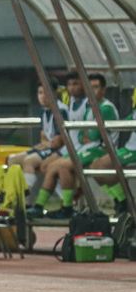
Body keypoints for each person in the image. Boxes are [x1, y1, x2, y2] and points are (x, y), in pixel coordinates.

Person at [28, 73, 120, 219]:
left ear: (104, 89)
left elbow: (93, 135)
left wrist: (86, 135)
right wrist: (85, 135)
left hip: (98, 149)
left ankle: (62, 205)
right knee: (55, 167)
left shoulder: (102, 107)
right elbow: (83, 133)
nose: (92, 90)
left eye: (96, 87)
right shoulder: (88, 105)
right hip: (83, 148)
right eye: (90, 87)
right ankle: (53, 205)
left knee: (56, 166)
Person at [7, 78, 68, 190]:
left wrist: (47, 143)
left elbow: (57, 142)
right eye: (40, 93)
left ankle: (26, 195)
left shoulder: (60, 111)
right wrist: (46, 144)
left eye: (46, 92)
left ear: (55, 93)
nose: (43, 96)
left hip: (61, 150)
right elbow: (43, 139)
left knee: (29, 161)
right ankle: (11, 193)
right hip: (48, 148)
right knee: (12, 159)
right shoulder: (45, 112)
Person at [90, 104, 136, 214]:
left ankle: (127, 203)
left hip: (133, 150)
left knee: (102, 166)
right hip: (129, 148)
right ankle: (121, 200)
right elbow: (126, 122)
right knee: (94, 167)